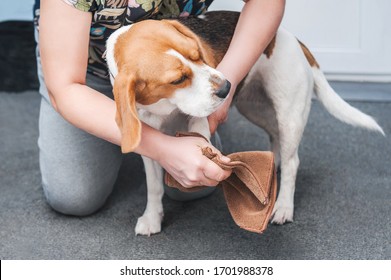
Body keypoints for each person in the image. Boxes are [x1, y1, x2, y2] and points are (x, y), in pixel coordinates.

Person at [35, 0, 285, 216]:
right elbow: (66, 88)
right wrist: (163, 149)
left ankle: (185, 100)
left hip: (180, 67)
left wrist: (226, 80)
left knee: (192, 188)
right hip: (84, 69)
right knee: (75, 197)